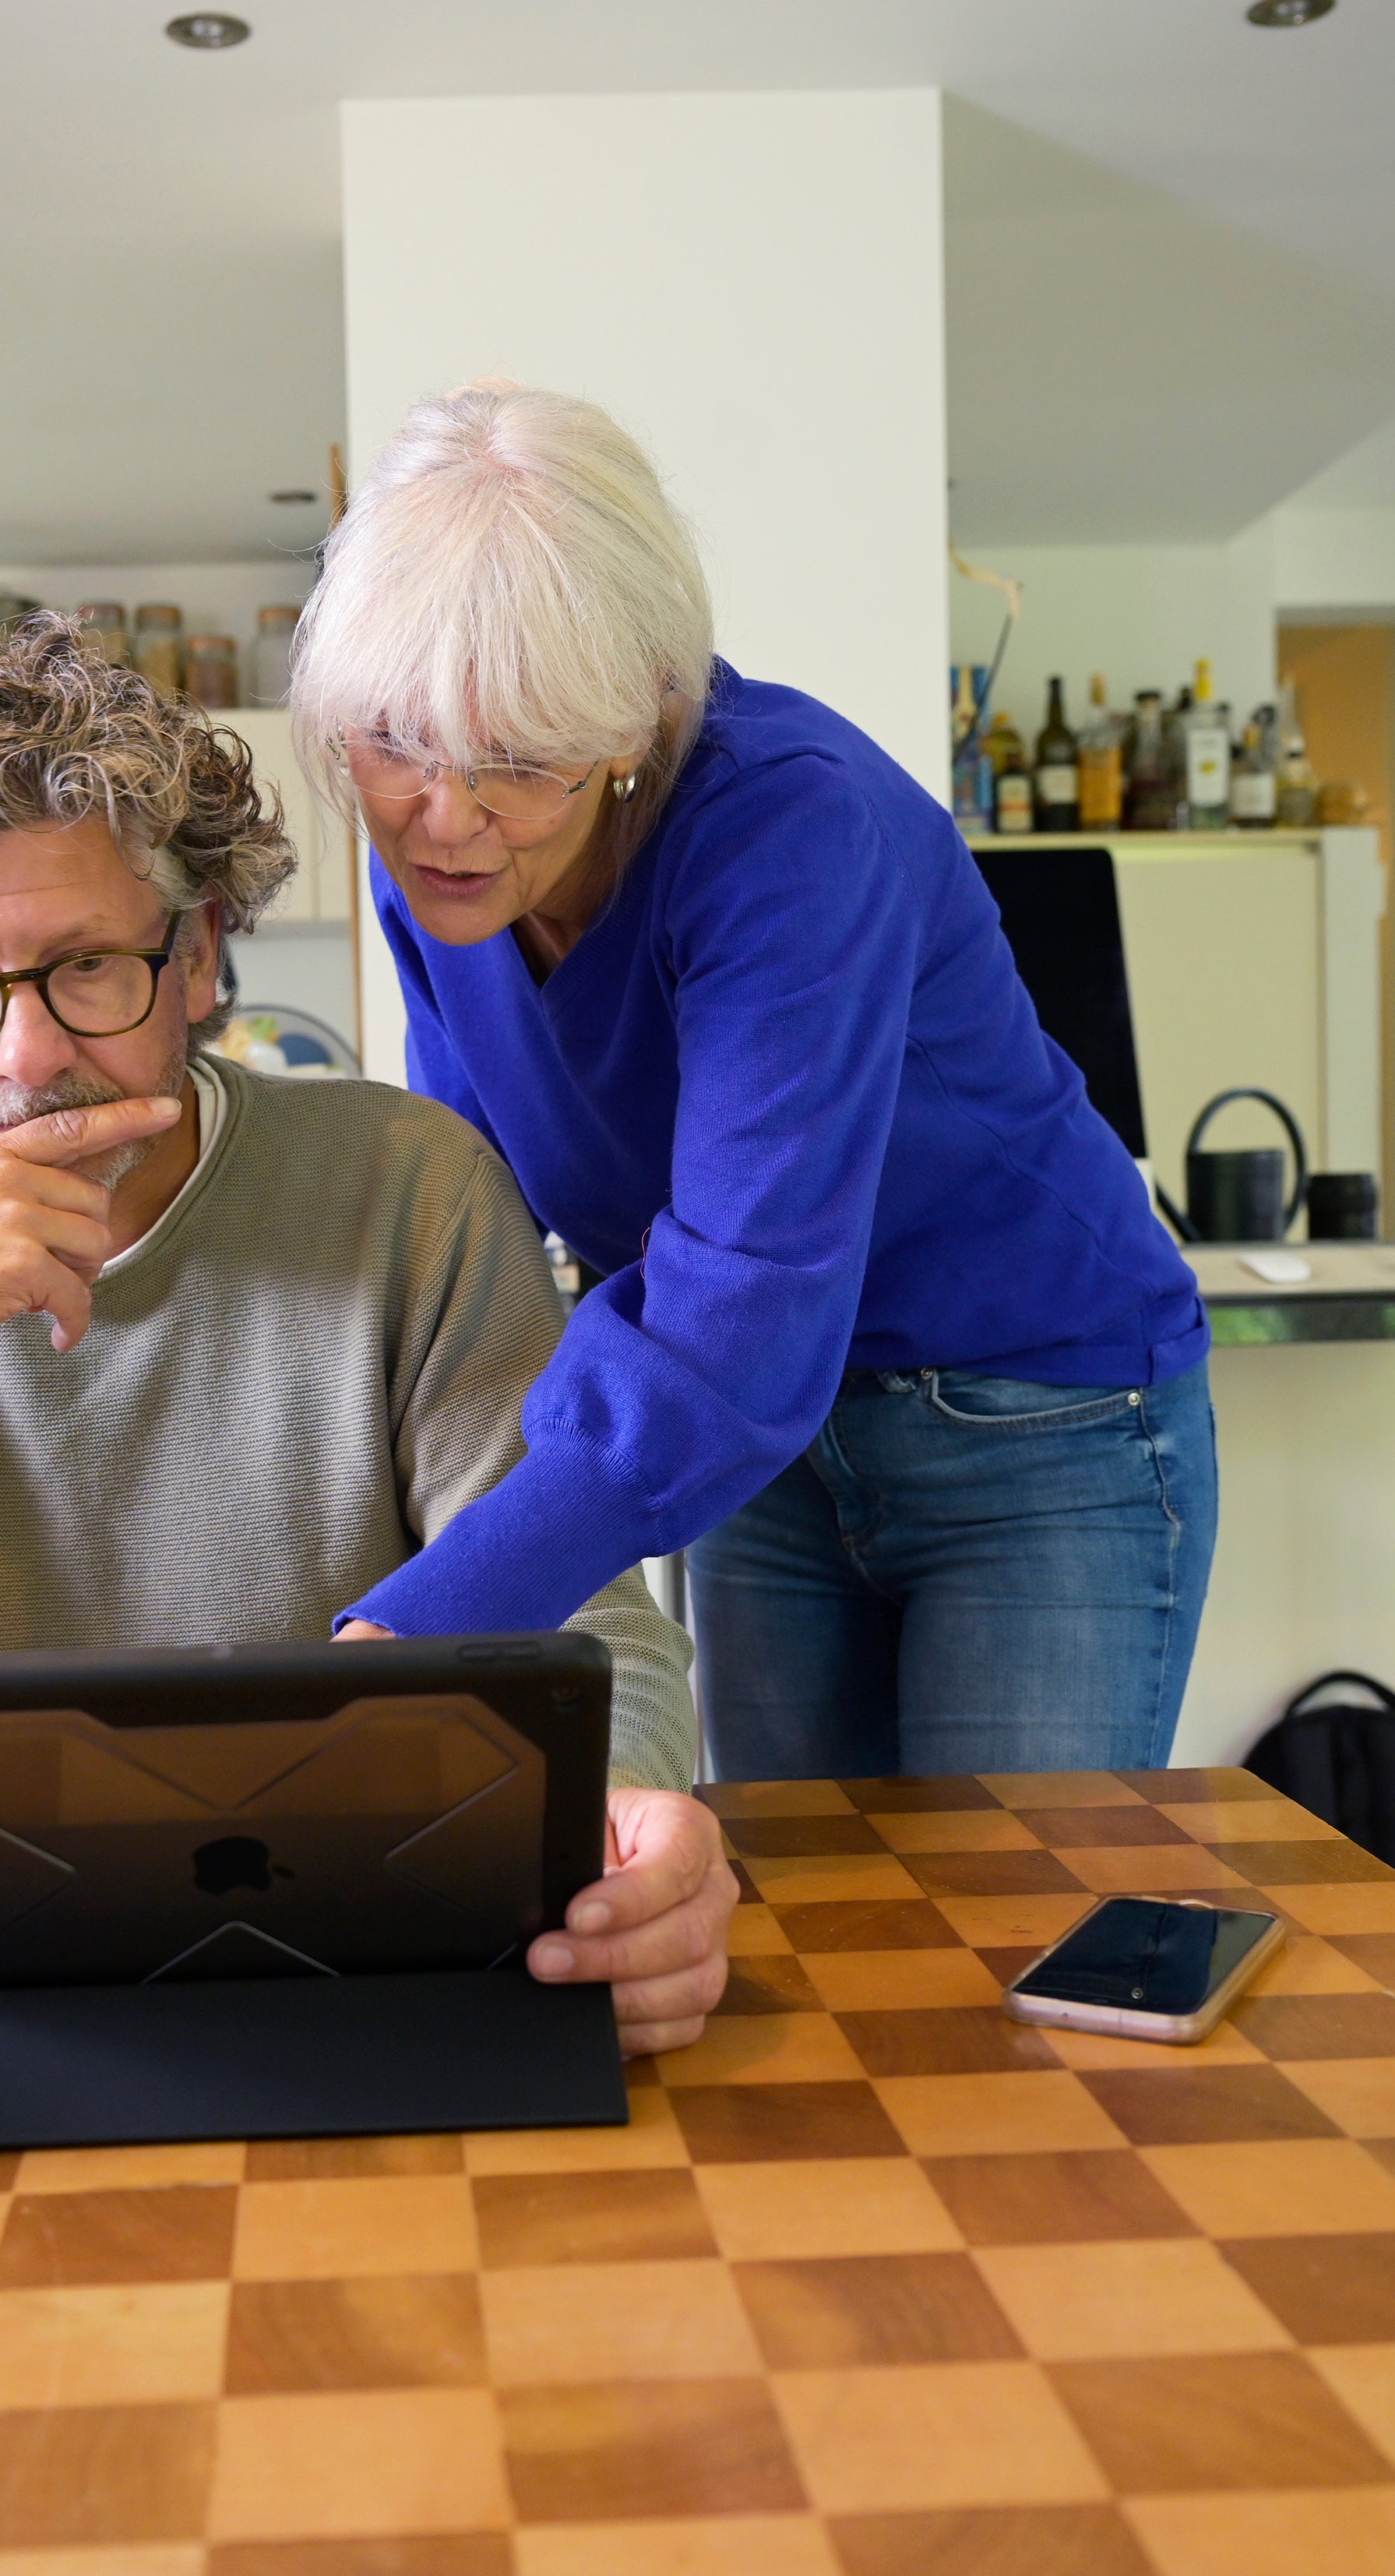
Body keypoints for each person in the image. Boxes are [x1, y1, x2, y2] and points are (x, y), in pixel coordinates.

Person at [0, 617, 730, 2053]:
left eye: (88, 968)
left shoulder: (405, 1190)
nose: (28, 1053)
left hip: (380, 1968)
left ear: (195, 958)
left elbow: (588, 1637)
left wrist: (628, 1824)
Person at [289, 382, 1217, 1779]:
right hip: (762, 1446)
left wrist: (422, 1630)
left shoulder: (789, 830)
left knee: (1007, 1929)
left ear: (634, 723)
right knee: (800, 1915)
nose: (446, 817)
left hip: (1034, 1425)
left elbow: (743, 1306)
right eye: (395, 743)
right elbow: (467, 1215)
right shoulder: (435, 857)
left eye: (519, 763)